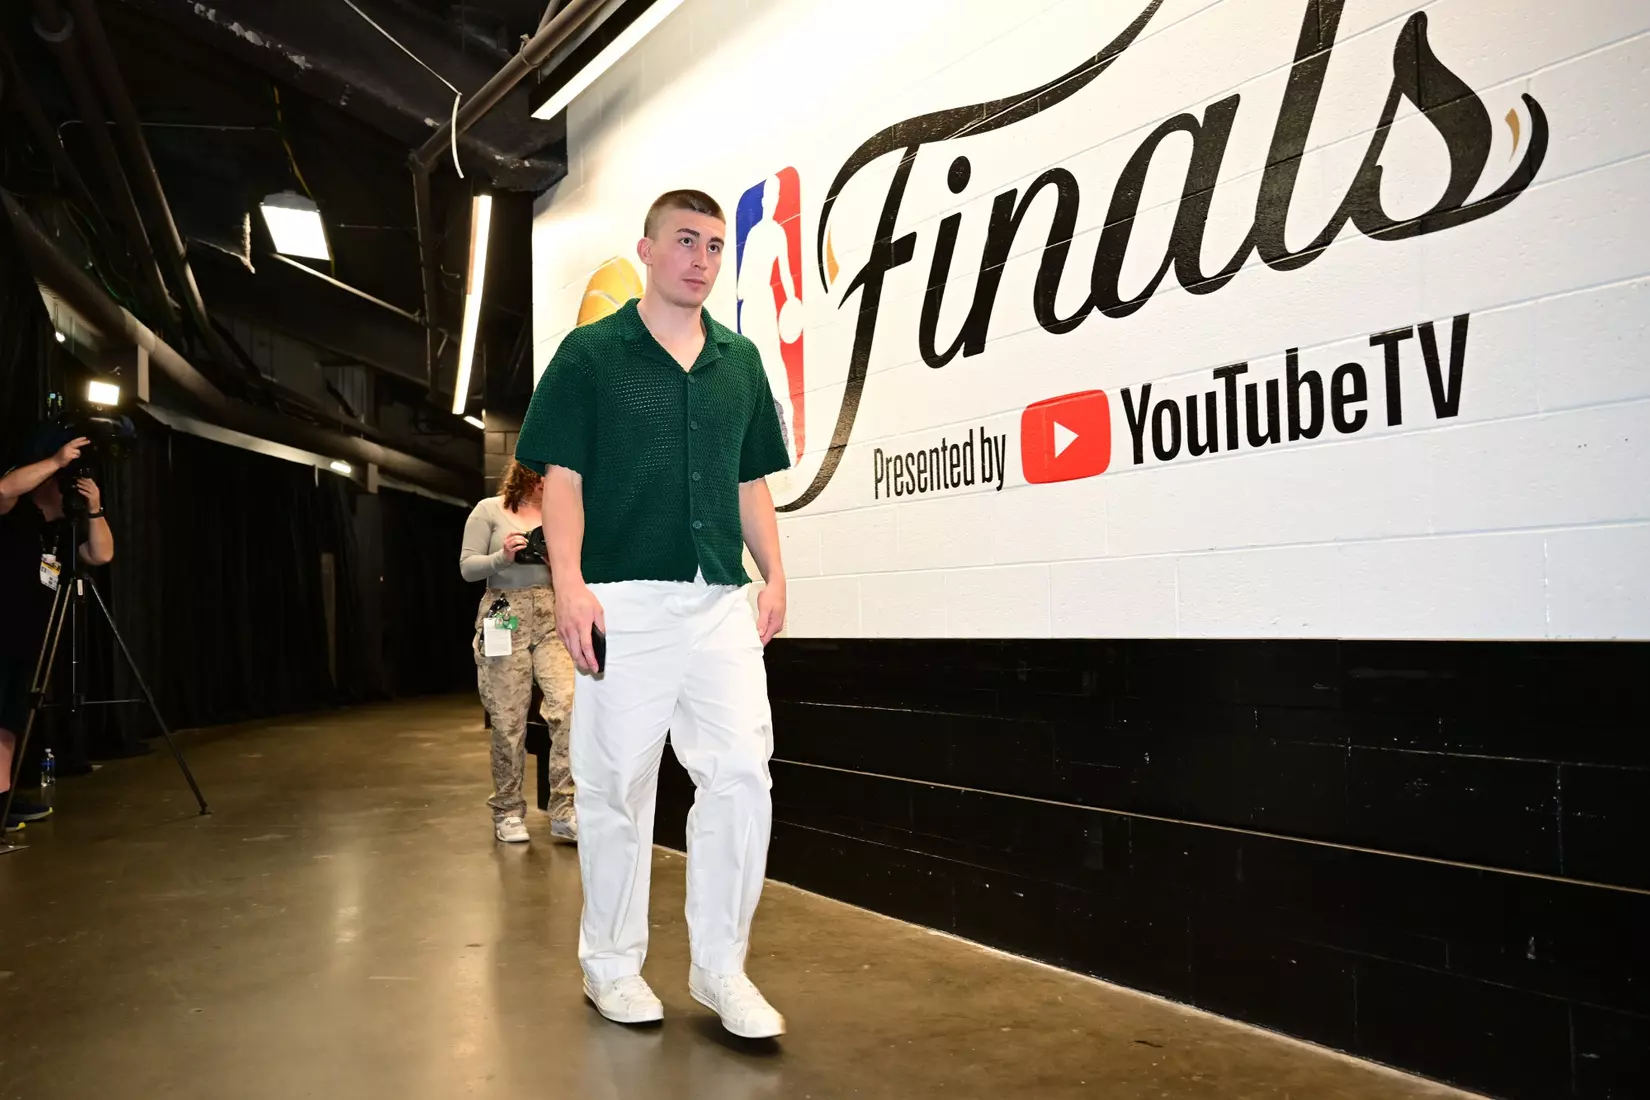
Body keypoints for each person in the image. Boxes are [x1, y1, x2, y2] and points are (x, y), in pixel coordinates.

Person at [517, 189, 792, 1039]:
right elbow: (561, 480)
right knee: (617, 786)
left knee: (741, 773)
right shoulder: (592, 354)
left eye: (713, 245)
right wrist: (569, 583)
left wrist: (775, 574)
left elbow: (750, 480)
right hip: (624, 599)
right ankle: (610, 966)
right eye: (684, 240)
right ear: (646, 249)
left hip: (719, 601)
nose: (701, 259)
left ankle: (721, 969)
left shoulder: (740, 362)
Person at [0, 429, 114, 831]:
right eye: (66, 482)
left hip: (23, 643)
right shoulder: (14, 514)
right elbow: (3, 488)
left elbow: (101, 554)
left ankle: (3, 800)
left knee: (9, 720)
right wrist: (55, 461)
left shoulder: (59, 534)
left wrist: (95, 509)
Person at [459, 460, 577, 844]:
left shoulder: (561, 513)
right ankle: (508, 810)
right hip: (504, 612)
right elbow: (467, 568)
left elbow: (580, 568)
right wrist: (503, 557)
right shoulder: (489, 510)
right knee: (508, 720)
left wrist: (556, 560)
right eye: (543, 476)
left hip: (552, 614)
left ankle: (564, 809)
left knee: (569, 707)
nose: (550, 483)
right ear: (527, 475)